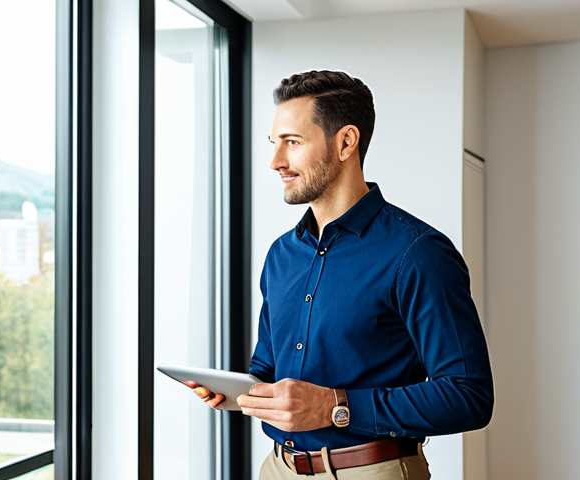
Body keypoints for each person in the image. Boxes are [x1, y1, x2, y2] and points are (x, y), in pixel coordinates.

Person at [194, 70, 494, 479]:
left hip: (371, 470)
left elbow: (468, 395)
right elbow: (267, 366)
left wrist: (334, 406)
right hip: (276, 468)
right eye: (275, 143)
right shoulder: (282, 254)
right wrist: (239, 393)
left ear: (346, 142)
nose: (275, 162)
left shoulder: (417, 252)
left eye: (293, 143)